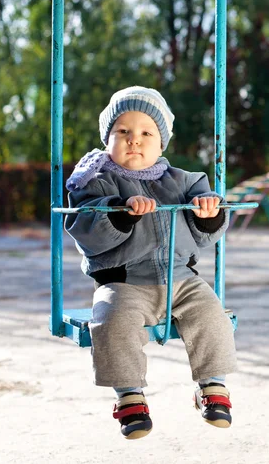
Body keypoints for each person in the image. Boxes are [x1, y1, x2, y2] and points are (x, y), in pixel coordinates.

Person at [64, 86, 236, 440]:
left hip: (180, 279)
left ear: (162, 143)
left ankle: (213, 385)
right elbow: (87, 231)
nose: (134, 140)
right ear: (107, 139)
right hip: (123, 282)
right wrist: (120, 213)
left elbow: (207, 233)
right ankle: (129, 396)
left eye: (146, 133)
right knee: (112, 322)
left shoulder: (185, 182)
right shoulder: (95, 181)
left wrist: (208, 210)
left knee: (211, 314)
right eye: (122, 132)